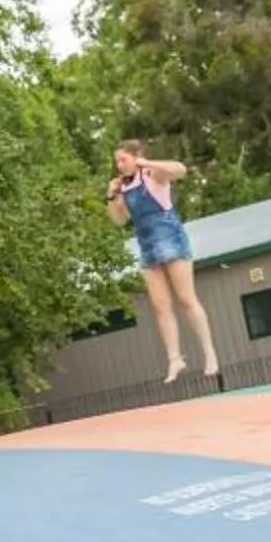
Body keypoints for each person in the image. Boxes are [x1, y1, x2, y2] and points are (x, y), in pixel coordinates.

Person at [105, 142, 217, 383]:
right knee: (160, 307)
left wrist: (148, 163)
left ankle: (209, 353)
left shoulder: (153, 174)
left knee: (186, 299)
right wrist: (111, 195)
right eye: (117, 161)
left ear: (137, 157)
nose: (119, 165)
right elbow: (119, 220)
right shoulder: (126, 188)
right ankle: (175, 358)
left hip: (171, 239)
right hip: (147, 247)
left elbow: (180, 170)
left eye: (123, 159)